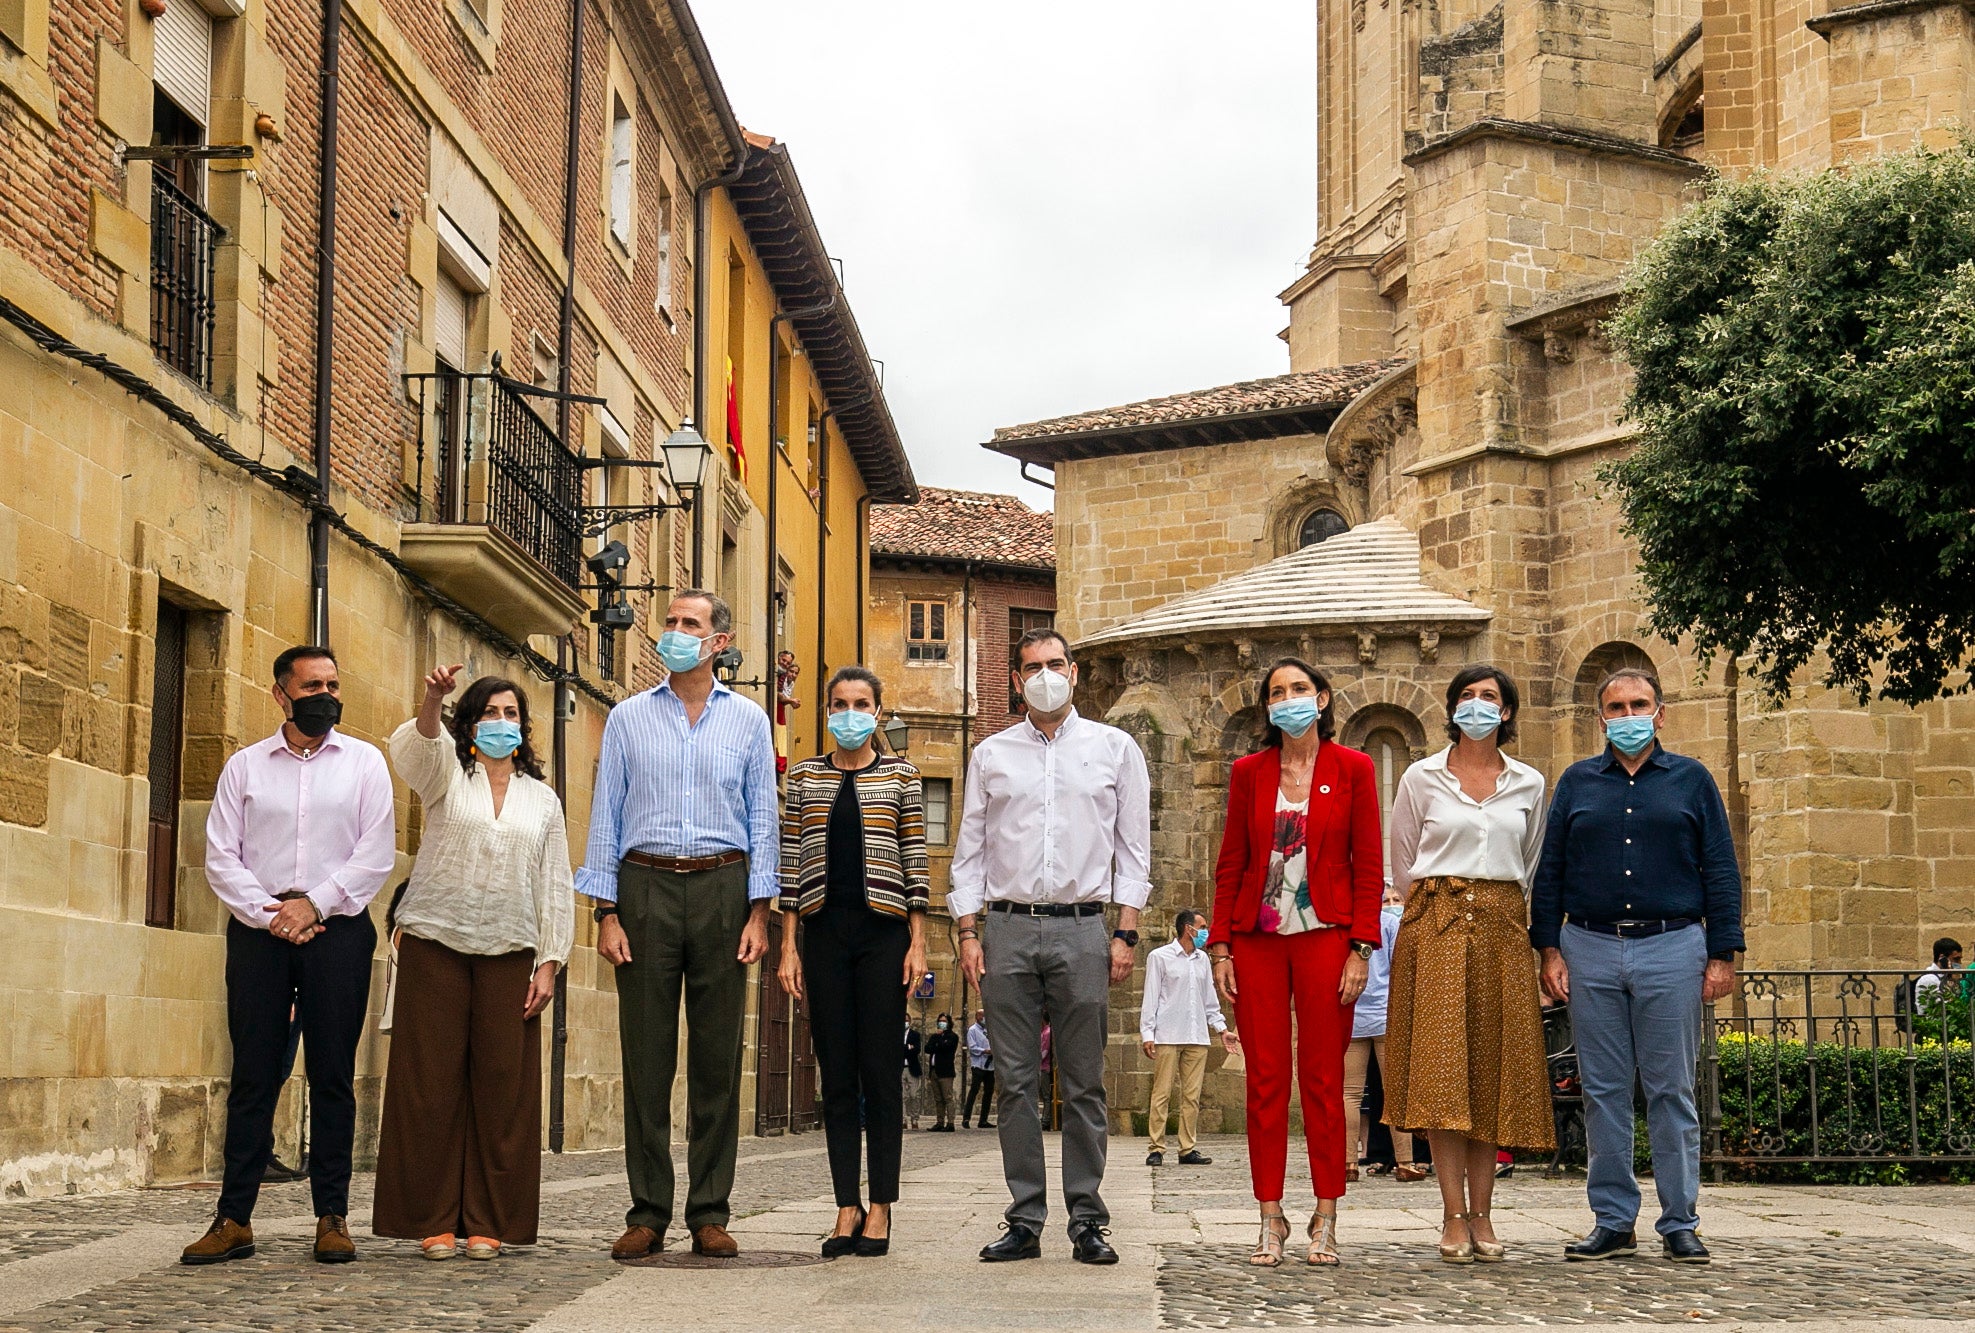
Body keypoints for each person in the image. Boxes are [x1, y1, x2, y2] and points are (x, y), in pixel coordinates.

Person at [579, 591, 778, 1262]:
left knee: (718, 1059)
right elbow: (605, 812)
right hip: (644, 886)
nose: (673, 632)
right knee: (646, 1056)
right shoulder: (628, 718)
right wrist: (606, 911)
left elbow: (763, 818)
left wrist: (759, 909)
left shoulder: (749, 721)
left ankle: (710, 1211)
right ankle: (647, 1212)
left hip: (724, 884)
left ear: (718, 641)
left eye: (688, 624)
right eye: (669, 621)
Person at [183, 646, 395, 1266]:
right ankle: (233, 1219)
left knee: (332, 1075)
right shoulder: (245, 767)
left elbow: (374, 853)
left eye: (333, 682)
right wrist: (270, 914)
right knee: (253, 1074)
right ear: (282, 694)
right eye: (312, 685)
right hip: (260, 934)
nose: (326, 693)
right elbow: (222, 855)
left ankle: (332, 1216)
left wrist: (316, 907)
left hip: (339, 932)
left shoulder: (365, 763)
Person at [1531, 666, 1743, 1266]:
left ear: (1661, 711)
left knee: (1671, 1089)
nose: (1628, 716)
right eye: (1617, 707)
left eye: (1639, 705)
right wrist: (1548, 948)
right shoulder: (1577, 782)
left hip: (1672, 946)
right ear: (1601, 718)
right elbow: (1551, 872)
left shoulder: (1692, 781)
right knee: (1601, 1090)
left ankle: (1679, 1221)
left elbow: (1721, 869)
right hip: (1590, 946)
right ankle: (1614, 1220)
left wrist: (1722, 954)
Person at [953, 627, 1151, 1266]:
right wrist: (966, 929)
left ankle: (1089, 1219)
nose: (1044, 674)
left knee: (1085, 1080)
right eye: (1032, 666)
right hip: (1006, 927)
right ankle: (1025, 1218)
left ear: (1074, 672)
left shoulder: (1115, 749)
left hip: (1082, 925)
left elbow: (1132, 848)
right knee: (1014, 1081)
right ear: (1016, 679)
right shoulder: (991, 754)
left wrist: (1124, 931)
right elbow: (971, 848)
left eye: (1055, 663)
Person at [373, 666, 575, 1260]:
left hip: (510, 952)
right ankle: (432, 1220)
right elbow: (418, 746)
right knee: (427, 1086)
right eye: (490, 713)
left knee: (502, 1090)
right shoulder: (447, 776)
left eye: (512, 714)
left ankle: (489, 1221)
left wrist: (550, 961)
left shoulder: (543, 800)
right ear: (470, 724)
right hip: (434, 941)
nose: (501, 724)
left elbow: (555, 884)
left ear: (524, 727)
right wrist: (433, 696)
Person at [1207, 657, 1381, 1268]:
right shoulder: (1249, 772)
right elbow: (1231, 860)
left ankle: (1326, 1215)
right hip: (1257, 939)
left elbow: (1368, 863)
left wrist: (1362, 947)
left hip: (1327, 939)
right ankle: (1269, 1215)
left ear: (1323, 698)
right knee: (1265, 1081)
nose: (1289, 700)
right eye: (1277, 692)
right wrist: (1220, 946)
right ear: (1267, 707)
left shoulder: (1354, 768)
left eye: (1299, 689)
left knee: (1324, 1082)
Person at [1383, 665, 1555, 1264]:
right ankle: (1452, 1213)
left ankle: (1484, 1214)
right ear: (1452, 708)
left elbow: (1531, 862)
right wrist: (1439, 909)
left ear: (1506, 711)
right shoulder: (1421, 776)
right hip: (1436, 928)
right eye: (1467, 697)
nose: (1477, 706)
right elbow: (1402, 859)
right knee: (1442, 1073)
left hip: (1504, 931)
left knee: (1491, 1073)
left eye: (1490, 698)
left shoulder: (1529, 783)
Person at [776, 664, 930, 1258]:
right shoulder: (808, 778)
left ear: (877, 711)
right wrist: (789, 944)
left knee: (878, 1072)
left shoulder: (903, 777)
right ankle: (846, 1205)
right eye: (839, 703)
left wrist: (919, 941)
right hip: (823, 931)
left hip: (884, 933)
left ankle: (882, 1207)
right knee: (835, 1073)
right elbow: (791, 864)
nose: (848, 713)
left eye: (860, 703)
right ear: (828, 710)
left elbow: (917, 859)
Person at [1141, 908, 1237, 1168]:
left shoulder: (1203, 960)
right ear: (1188, 928)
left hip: (1196, 1036)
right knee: (1162, 1093)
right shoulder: (1159, 957)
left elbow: (1209, 999)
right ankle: (1156, 1147)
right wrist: (1147, 1033)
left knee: (1192, 1096)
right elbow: (1151, 996)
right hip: (1168, 1034)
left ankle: (1187, 1147)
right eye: (1202, 926)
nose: (1205, 932)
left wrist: (1221, 1028)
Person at [1343, 892, 1422, 1184]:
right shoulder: (1387, 924)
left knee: (1349, 1094)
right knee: (1395, 1091)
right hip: (1386, 1015)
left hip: (1351, 1014)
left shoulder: (1340, 927)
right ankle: (1405, 1162)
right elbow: (1400, 968)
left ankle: (1349, 1162)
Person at [925, 1012, 959, 1131]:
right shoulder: (934, 1036)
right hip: (934, 1070)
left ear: (949, 1023)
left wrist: (939, 1041)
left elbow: (946, 1048)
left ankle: (950, 1123)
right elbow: (927, 1048)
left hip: (945, 1071)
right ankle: (940, 1122)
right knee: (938, 1099)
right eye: (940, 1021)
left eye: (944, 1021)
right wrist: (938, 1041)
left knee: (947, 1098)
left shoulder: (952, 1036)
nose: (942, 1023)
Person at [963, 1010, 995, 1129]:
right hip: (978, 1065)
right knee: (974, 1091)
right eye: (982, 1015)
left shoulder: (989, 1030)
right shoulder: (972, 1030)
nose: (984, 1018)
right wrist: (985, 1051)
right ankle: (966, 1118)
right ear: (977, 1017)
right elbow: (972, 1047)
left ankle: (983, 1120)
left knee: (988, 1092)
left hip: (990, 1066)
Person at [1915, 937, 1965, 1008]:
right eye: (1956, 959)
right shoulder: (1929, 979)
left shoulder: (1946, 976)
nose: (1959, 963)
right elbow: (1947, 1008)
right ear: (1942, 958)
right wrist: (1954, 982)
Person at [903, 1021, 925, 1131]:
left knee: (913, 1095)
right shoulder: (896, 1034)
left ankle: (914, 1118)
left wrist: (905, 1048)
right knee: (902, 1096)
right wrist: (907, 1047)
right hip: (900, 1068)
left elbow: (916, 1050)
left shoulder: (915, 1035)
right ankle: (903, 1119)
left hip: (912, 1068)